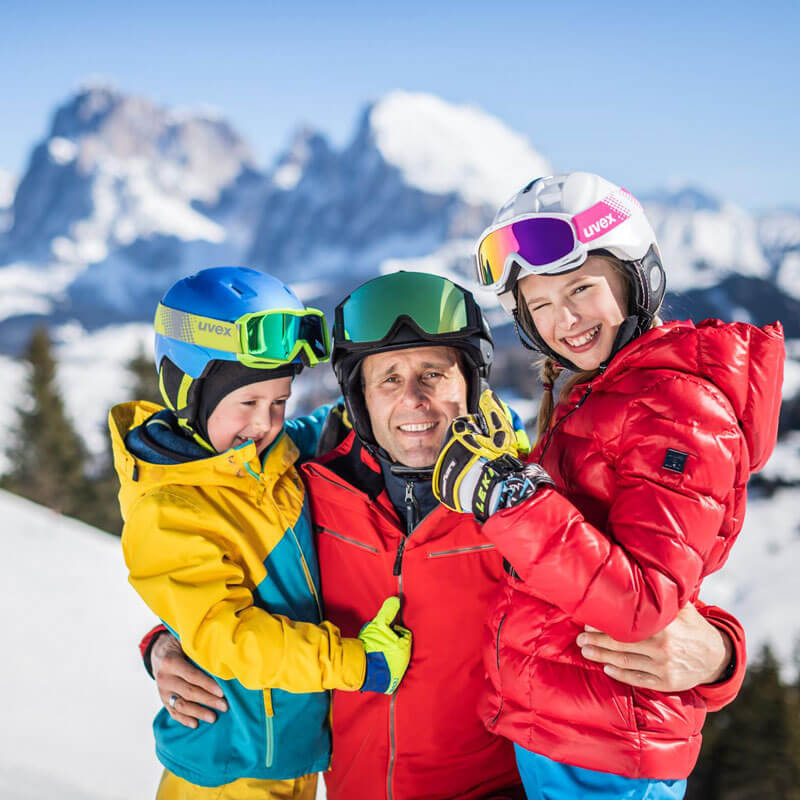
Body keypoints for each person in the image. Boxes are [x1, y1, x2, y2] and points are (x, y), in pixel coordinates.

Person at [144, 270, 749, 800]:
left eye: (435, 373)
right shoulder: (311, 482)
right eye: (389, 380)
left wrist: (721, 657)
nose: (415, 400)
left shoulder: (524, 499)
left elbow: (639, 586)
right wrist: (166, 643)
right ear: (358, 397)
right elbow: (234, 555)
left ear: (471, 384)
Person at [433, 172, 784, 799]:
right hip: (569, 728)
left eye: (580, 289)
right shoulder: (603, 395)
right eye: (538, 305)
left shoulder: (677, 408)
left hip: (613, 749)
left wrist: (509, 499)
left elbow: (643, 602)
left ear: (634, 277)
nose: (562, 319)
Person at [109, 266, 412, 800]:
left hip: (289, 755)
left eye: (278, 401)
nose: (265, 422)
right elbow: (228, 636)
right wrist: (354, 663)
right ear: (187, 389)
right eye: (247, 403)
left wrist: (382, 404)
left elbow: (309, 432)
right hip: (230, 769)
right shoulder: (169, 508)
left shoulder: (262, 456)